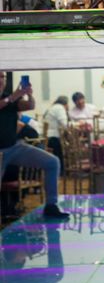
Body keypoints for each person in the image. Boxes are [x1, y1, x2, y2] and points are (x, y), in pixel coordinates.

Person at [0, 71, 69, 219]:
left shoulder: (8, 97)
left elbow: (30, 105)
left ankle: (51, 205)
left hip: (13, 147)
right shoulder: (8, 98)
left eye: (3, 77)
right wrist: (13, 96)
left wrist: (28, 94)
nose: (1, 80)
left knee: (52, 162)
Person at [43, 96, 69, 170]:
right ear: (66, 104)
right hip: (53, 137)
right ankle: (61, 171)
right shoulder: (60, 108)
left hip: (47, 137)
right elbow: (65, 124)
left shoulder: (52, 107)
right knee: (61, 151)